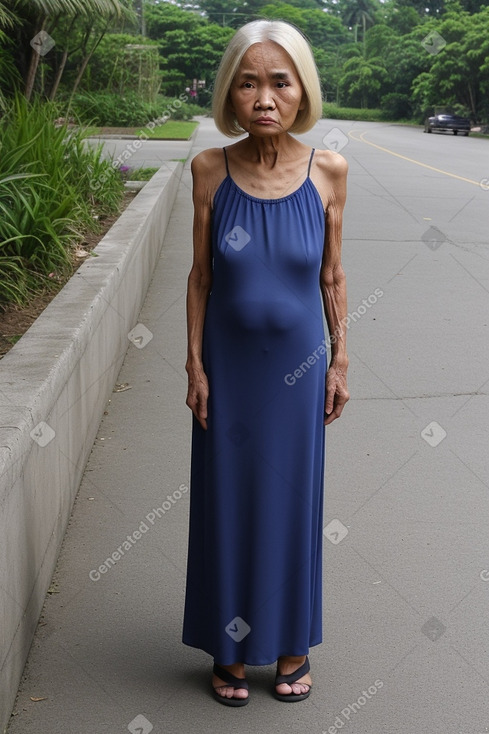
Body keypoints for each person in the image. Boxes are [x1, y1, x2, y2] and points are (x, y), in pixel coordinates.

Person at [182, 19, 349, 706]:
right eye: (247, 82)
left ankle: (288, 644)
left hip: (299, 370)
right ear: (230, 91)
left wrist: (341, 361)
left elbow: (332, 278)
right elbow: (199, 277)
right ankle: (228, 648)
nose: (263, 97)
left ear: (300, 89)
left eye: (278, 82)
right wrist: (193, 365)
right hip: (228, 366)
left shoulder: (328, 171)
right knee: (226, 500)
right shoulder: (210, 169)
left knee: (291, 501)